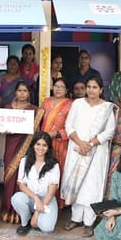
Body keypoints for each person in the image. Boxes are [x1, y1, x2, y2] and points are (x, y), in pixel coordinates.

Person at [62, 74, 116, 238]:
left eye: (95, 87)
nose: (91, 90)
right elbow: (68, 125)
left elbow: (110, 131)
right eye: (89, 87)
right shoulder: (77, 104)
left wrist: (91, 144)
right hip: (77, 150)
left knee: (92, 186)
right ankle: (76, 218)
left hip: (97, 152)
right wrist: (81, 143)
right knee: (76, 182)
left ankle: (89, 222)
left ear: (101, 89)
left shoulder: (107, 108)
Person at [1, 81, 37, 223]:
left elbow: (37, 132)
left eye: (25, 91)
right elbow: (0, 125)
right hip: (10, 146)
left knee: (22, 178)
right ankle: (7, 210)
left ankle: (21, 212)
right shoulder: (7, 108)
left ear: (29, 93)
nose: (22, 94)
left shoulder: (34, 110)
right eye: (20, 90)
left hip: (26, 148)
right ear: (15, 92)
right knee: (10, 177)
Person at [11, 132, 60, 235]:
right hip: (31, 198)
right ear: (33, 145)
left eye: (44, 145)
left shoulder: (54, 165)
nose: (40, 148)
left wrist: (37, 213)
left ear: (48, 147)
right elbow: (21, 185)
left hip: (47, 200)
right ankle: (26, 222)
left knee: (47, 227)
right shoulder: (25, 161)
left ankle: (36, 217)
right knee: (17, 198)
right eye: (38, 144)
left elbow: (51, 193)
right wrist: (35, 198)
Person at [39, 77, 72, 209]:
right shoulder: (46, 102)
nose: (58, 89)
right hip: (43, 144)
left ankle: (58, 203)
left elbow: (73, 127)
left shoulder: (70, 104)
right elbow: (38, 121)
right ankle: (42, 199)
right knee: (43, 171)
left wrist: (56, 134)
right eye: (56, 86)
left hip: (60, 144)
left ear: (66, 90)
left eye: (61, 87)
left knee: (58, 171)